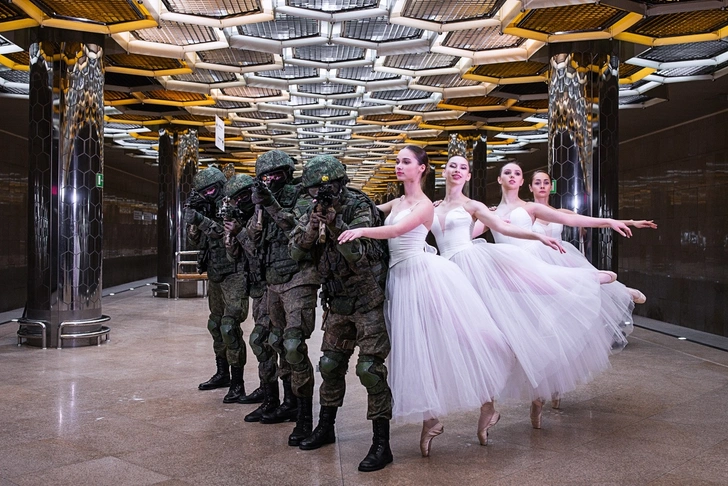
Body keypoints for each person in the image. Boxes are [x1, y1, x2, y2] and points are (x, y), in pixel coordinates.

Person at [338, 146, 516, 457]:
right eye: (397, 161)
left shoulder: (423, 205)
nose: (399, 166)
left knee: (452, 341)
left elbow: (396, 229)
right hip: (398, 281)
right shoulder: (398, 201)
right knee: (417, 349)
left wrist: (361, 231)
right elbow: (371, 208)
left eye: (405, 162)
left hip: (422, 276)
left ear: (421, 169)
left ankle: (487, 403)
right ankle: (430, 419)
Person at [431, 156, 617, 428]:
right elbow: (471, 233)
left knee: (544, 301)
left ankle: (588, 278)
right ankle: (495, 398)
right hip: (491, 269)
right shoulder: (481, 209)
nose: (513, 177)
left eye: (518, 173)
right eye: (507, 173)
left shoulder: (527, 207)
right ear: (499, 179)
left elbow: (569, 217)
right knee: (482, 332)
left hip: (525, 262)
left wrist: (610, 222)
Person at [289, 155, 394, 472]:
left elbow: (358, 254)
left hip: (366, 297)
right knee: (330, 365)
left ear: (341, 184)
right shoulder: (311, 210)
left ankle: (381, 443)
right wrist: (312, 225)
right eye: (314, 192)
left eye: (330, 188)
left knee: (369, 370)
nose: (321, 196)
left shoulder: (360, 206)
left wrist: (335, 222)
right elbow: (296, 253)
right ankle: (326, 426)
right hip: (336, 299)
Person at [248, 150, 320, 447]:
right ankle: (288, 402)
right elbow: (254, 237)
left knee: (293, 346)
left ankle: (305, 417)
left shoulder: (302, 196)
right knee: (277, 344)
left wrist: (271, 204)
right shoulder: (263, 200)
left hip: (299, 278)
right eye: (265, 176)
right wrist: (259, 211)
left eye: (275, 174)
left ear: (288, 174)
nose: (270, 180)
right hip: (272, 281)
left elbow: (299, 232)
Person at [529, 169, 656, 310]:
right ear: (530, 187)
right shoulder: (523, 211)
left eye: (546, 183)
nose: (542, 186)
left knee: (585, 281)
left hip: (560, 256)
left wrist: (632, 222)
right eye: (537, 183)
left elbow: (594, 220)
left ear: (551, 187)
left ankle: (621, 291)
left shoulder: (560, 213)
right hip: (537, 259)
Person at [184, 167, 250, 403]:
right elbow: (194, 239)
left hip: (235, 272)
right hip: (215, 271)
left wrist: (201, 220)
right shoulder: (207, 206)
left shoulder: (235, 204)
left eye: (211, 190)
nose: (209, 195)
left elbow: (224, 233)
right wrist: (193, 217)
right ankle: (222, 373)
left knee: (229, 327)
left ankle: (237, 382)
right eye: (204, 192)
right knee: (215, 324)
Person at [221, 174, 279, 417]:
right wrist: (231, 234)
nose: (240, 202)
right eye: (236, 199)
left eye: (243, 196)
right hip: (256, 287)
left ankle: (272, 397)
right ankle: (267, 390)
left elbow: (257, 249)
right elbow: (233, 256)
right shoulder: (243, 216)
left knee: (261, 340)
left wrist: (240, 233)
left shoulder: (264, 213)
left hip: (271, 285)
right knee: (261, 341)